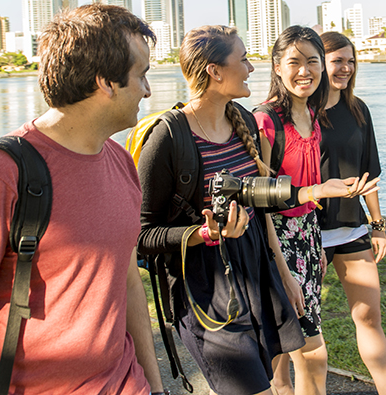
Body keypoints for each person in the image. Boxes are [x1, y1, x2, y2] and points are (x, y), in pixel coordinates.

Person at [0, 4, 165, 395]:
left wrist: (154, 383)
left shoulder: (120, 160)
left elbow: (128, 281)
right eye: (141, 75)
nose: (147, 90)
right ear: (106, 83)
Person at [138, 25, 363, 395]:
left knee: (268, 379)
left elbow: (260, 206)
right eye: (243, 59)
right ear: (215, 71)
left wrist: (284, 274)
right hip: (207, 285)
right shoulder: (169, 136)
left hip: (258, 272)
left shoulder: (239, 118)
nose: (251, 68)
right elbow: (142, 235)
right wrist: (203, 234)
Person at [255, 26, 378, 395]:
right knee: (311, 353)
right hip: (277, 243)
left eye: (312, 61)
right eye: (294, 62)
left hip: (308, 238)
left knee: (287, 348)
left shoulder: (311, 115)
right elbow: (259, 199)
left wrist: (315, 246)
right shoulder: (266, 120)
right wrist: (283, 267)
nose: (304, 71)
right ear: (277, 67)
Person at [316, 32, 386, 395]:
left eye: (350, 61)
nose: (345, 68)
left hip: (351, 229)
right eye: (337, 60)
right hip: (309, 232)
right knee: (301, 324)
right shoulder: (301, 111)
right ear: (318, 64)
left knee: (368, 315)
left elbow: (371, 175)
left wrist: (378, 225)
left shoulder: (358, 109)